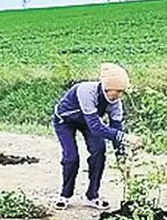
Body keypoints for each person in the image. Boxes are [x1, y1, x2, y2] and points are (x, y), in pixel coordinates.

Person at [51, 63, 143, 210]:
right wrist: (126, 138)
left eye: (122, 92)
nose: (119, 96)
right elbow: (96, 127)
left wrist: (122, 160)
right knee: (71, 157)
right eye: (117, 91)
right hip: (65, 122)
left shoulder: (115, 103)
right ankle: (65, 195)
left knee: (99, 151)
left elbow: (116, 129)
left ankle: (92, 195)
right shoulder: (86, 91)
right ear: (106, 88)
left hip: (88, 122)